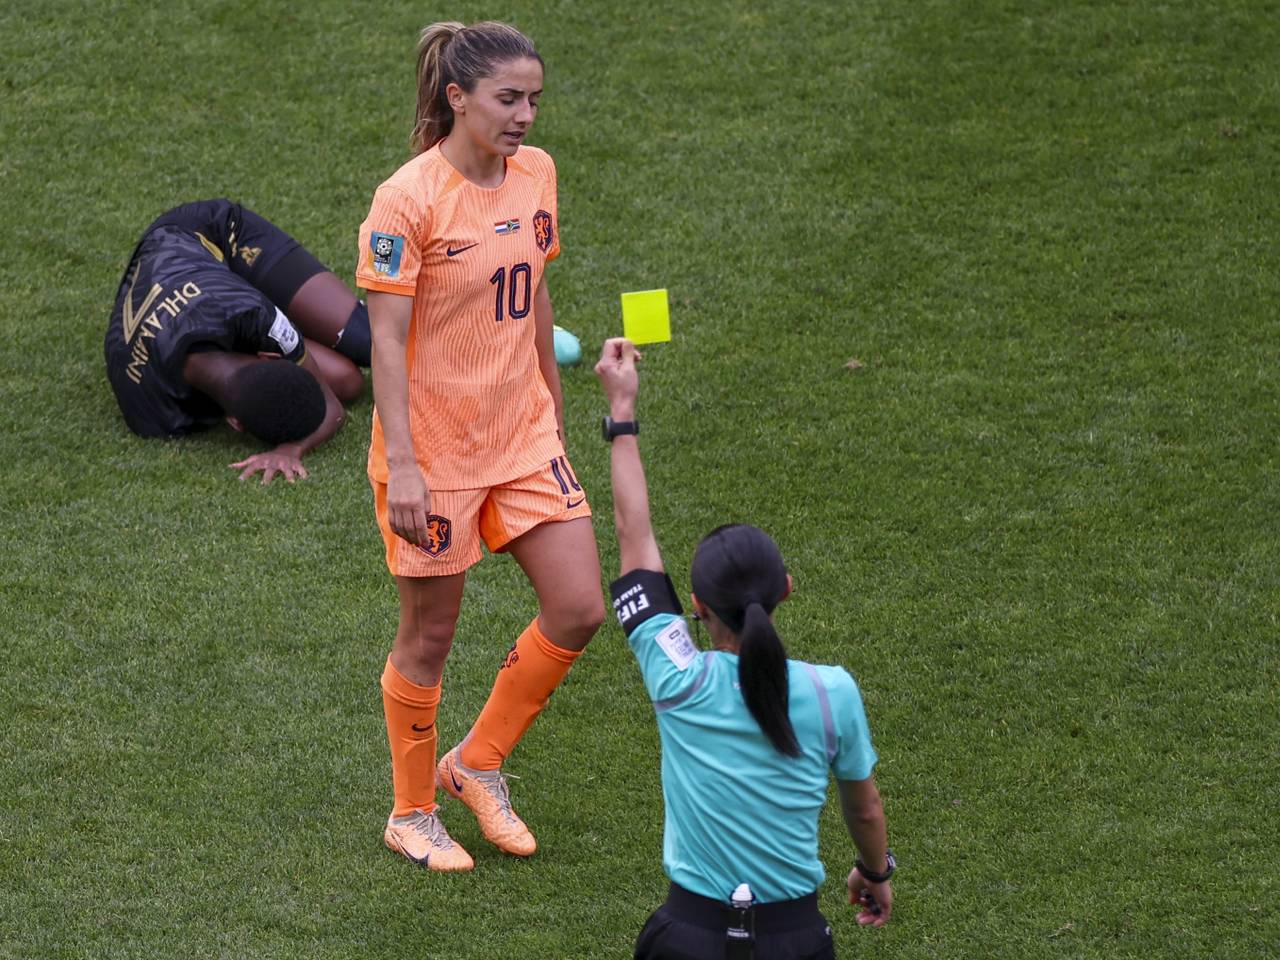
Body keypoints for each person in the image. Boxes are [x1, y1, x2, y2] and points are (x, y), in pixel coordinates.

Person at [355, 21, 605, 872]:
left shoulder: (537, 175)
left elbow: (534, 293)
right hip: (435, 457)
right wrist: (410, 470)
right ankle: (413, 811)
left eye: (534, 98)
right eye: (509, 99)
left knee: (580, 607)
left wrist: (556, 413)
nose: (526, 115)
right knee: (430, 638)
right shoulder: (407, 200)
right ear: (457, 98)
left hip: (522, 436)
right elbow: (385, 344)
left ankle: (479, 762)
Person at [594, 338, 896, 958]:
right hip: (794, 941)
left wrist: (621, 412)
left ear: (697, 609)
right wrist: (876, 871)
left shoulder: (676, 675)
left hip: (687, 941)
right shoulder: (831, 692)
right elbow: (863, 811)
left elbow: (635, 535)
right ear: (786, 589)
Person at [105, 198, 370, 484]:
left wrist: (293, 448)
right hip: (207, 301)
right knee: (345, 380)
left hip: (212, 235)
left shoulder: (252, 312)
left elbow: (331, 410)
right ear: (233, 421)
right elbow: (333, 402)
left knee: (366, 341)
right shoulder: (152, 417)